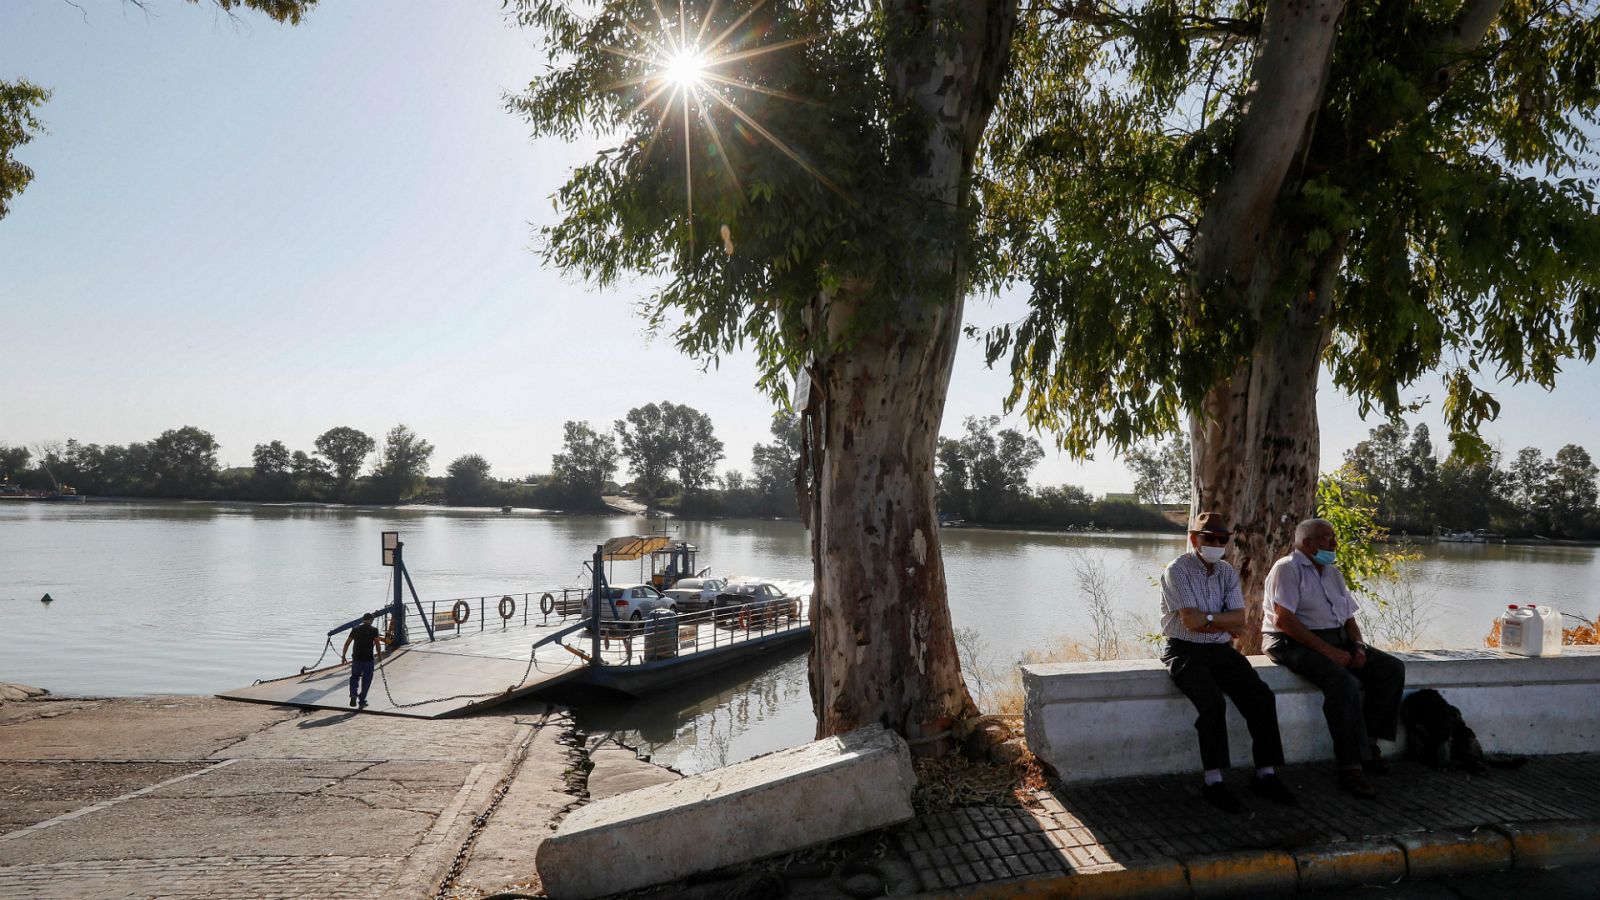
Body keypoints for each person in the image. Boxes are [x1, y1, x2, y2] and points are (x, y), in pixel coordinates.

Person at [1160, 512, 1296, 813]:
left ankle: (1266, 774)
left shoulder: (1225, 571)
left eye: (1223, 539)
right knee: (1212, 704)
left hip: (1220, 651)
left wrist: (1210, 620)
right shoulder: (1177, 570)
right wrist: (1220, 621)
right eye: (1210, 538)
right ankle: (1213, 781)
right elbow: (1190, 622)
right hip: (1184, 651)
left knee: (1261, 697)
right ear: (1195, 539)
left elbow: (1240, 621)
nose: (1217, 544)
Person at [1263, 518, 1406, 799]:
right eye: (1327, 538)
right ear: (1307, 544)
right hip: (1290, 641)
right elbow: (1285, 620)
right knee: (1343, 682)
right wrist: (1329, 653)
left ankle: (1368, 746)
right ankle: (1350, 766)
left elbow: (1349, 619)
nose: (1334, 544)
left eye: (1333, 537)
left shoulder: (1332, 573)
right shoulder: (1288, 569)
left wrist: (1358, 647)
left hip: (1333, 637)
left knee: (1391, 669)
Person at [340, 612, 386, 709]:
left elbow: (347, 643)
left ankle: (353, 694)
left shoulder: (355, 629)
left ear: (363, 619)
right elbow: (377, 644)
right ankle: (362, 700)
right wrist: (380, 656)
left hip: (356, 659)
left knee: (354, 677)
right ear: (371, 620)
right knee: (366, 680)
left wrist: (343, 656)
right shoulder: (374, 630)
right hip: (368, 660)